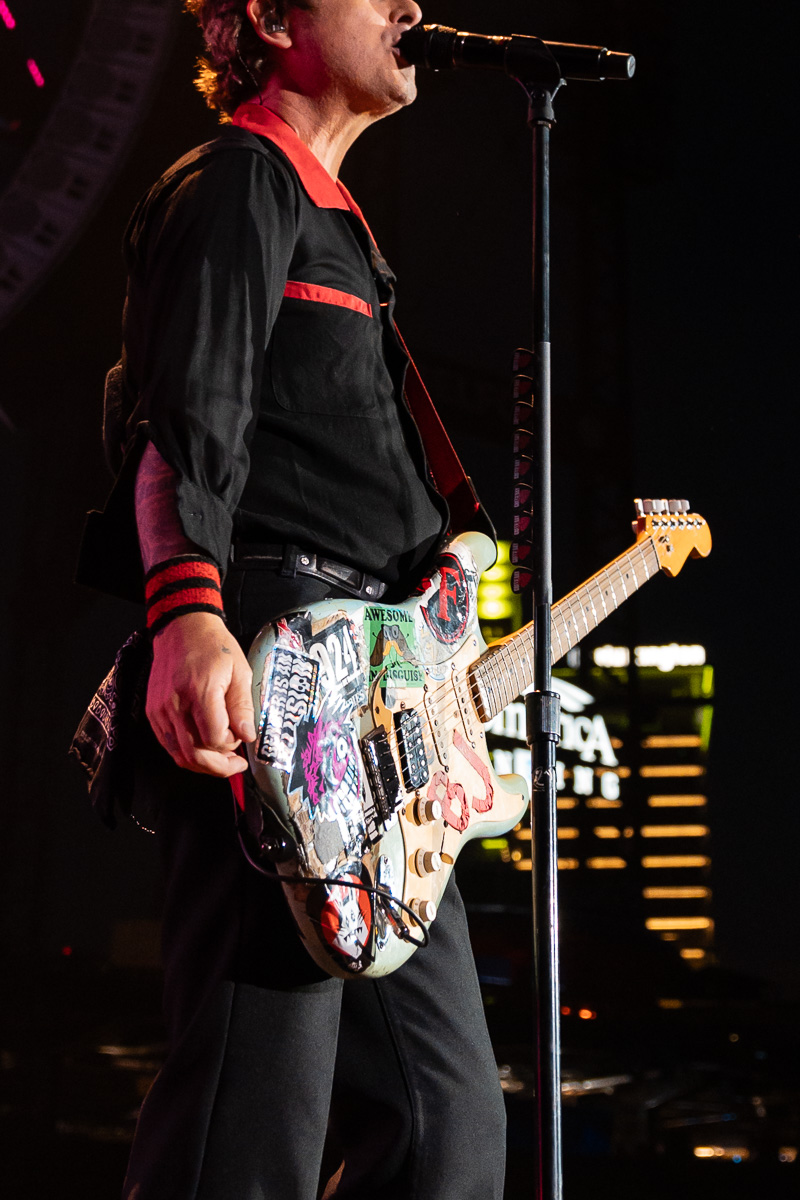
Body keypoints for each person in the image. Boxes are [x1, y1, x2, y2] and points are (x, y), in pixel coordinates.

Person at [78, 1, 506, 1196]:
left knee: (444, 1126)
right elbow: (181, 421)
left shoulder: (340, 225)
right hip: (280, 676)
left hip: (379, 723)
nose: (411, 6)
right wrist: (187, 612)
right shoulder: (236, 180)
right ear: (266, 16)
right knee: (253, 1112)